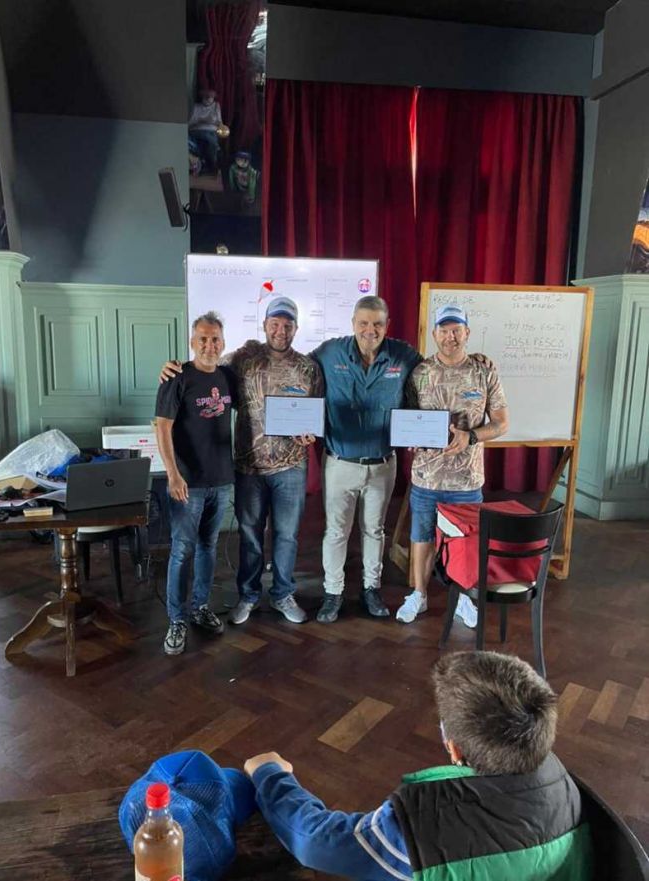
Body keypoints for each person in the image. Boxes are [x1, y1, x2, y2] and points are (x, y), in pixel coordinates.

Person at [243, 650, 593, 881]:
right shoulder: (562, 782)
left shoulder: (424, 826)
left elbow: (317, 841)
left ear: (453, 748)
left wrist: (270, 774)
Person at [160, 297, 323, 626]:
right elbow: (204, 368)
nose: (281, 330)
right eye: (274, 323)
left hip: (291, 467)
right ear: (264, 326)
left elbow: (316, 414)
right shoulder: (240, 360)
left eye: (287, 324)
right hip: (248, 468)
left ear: (295, 328)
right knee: (250, 534)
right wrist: (170, 367)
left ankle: (282, 594)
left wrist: (311, 435)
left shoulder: (308, 367)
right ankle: (248, 596)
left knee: (287, 535)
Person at [311, 296, 422, 623]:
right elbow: (291, 367)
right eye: (363, 323)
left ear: (387, 325)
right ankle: (333, 592)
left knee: (374, 531)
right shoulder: (331, 352)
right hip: (340, 462)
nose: (369, 330)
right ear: (353, 324)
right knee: (336, 532)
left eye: (377, 324)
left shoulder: (402, 355)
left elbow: (435, 375)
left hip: (382, 464)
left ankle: (371, 588)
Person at [396, 304, 509, 625]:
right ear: (434, 334)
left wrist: (471, 436)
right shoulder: (419, 373)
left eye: (456, 330)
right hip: (426, 478)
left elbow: (501, 423)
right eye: (444, 330)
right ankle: (418, 595)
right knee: (421, 536)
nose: (450, 336)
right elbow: (407, 418)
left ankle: (462, 599)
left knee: (466, 542)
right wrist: (410, 436)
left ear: (467, 333)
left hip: (467, 480)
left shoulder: (484, 371)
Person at [155, 312, 238, 655]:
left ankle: (200, 608)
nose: (209, 345)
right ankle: (176, 619)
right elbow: (161, 427)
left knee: (208, 547)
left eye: (215, 338)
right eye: (202, 338)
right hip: (187, 483)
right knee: (182, 549)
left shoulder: (228, 376)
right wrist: (173, 475)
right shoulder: (176, 377)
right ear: (192, 342)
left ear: (223, 342)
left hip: (220, 479)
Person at [188, 88, 224, 172]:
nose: (208, 98)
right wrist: (200, 120)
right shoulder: (197, 106)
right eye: (206, 96)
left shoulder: (216, 106)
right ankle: (207, 162)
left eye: (210, 96)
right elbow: (190, 123)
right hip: (197, 130)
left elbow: (220, 122)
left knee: (211, 139)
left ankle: (211, 162)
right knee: (207, 137)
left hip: (212, 130)